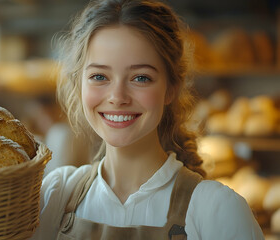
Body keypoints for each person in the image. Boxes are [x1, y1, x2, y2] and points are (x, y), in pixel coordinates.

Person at [31, 0, 264, 239]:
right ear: (78, 84)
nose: (117, 97)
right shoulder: (55, 195)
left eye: (140, 78)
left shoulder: (218, 210)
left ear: (171, 88)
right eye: (99, 76)